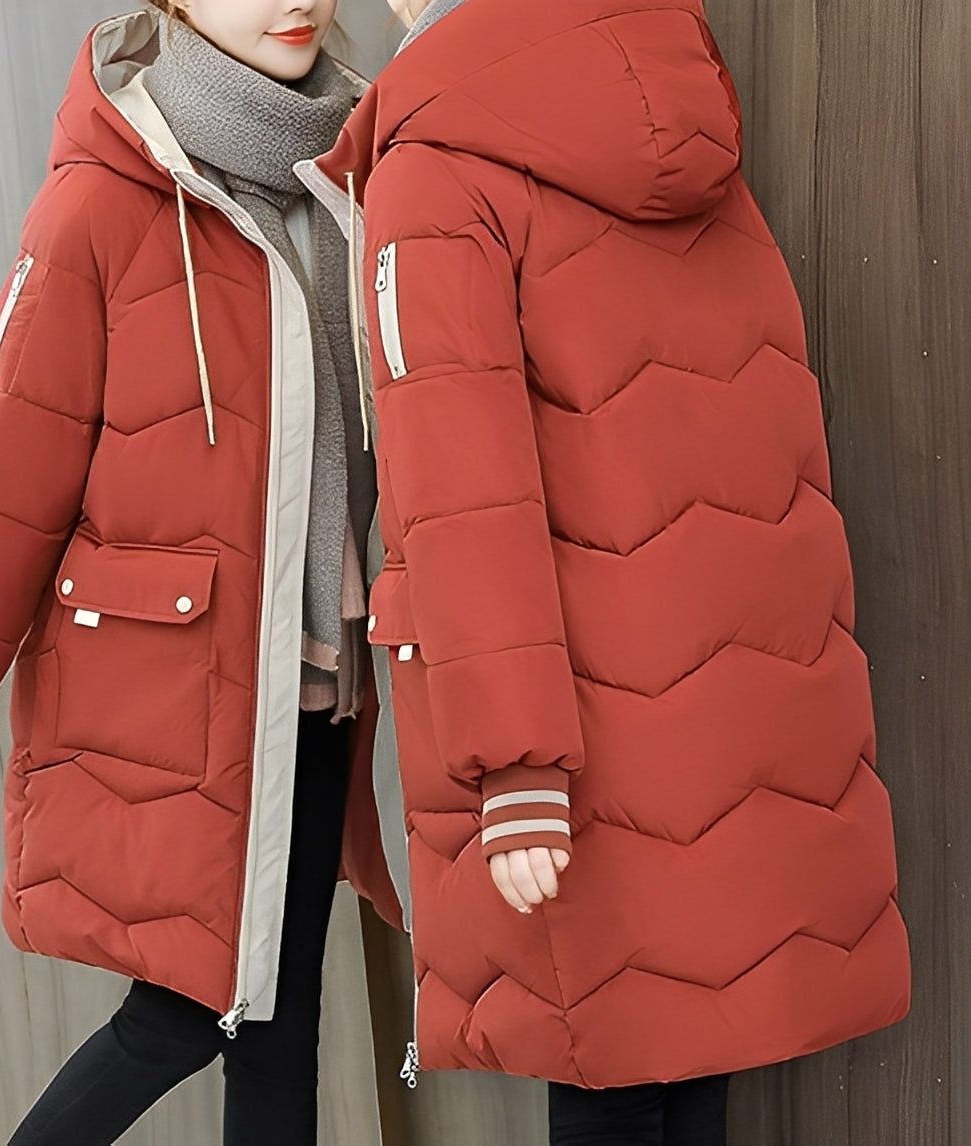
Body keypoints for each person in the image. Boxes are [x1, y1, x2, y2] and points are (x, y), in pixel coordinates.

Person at [298, 0, 913, 1143]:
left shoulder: (435, 166)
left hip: (573, 731)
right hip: (727, 709)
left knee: (612, 1071)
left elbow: (460, 493)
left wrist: (514, 763)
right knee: (687, 1052)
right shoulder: (669, 95)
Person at [0, 2, 400, 1143]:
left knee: (279, 1027)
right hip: (180, 695)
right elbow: (12, 461)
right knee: (182, 1015)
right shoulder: (103, 199)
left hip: (319, 685)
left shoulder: (364, 171)